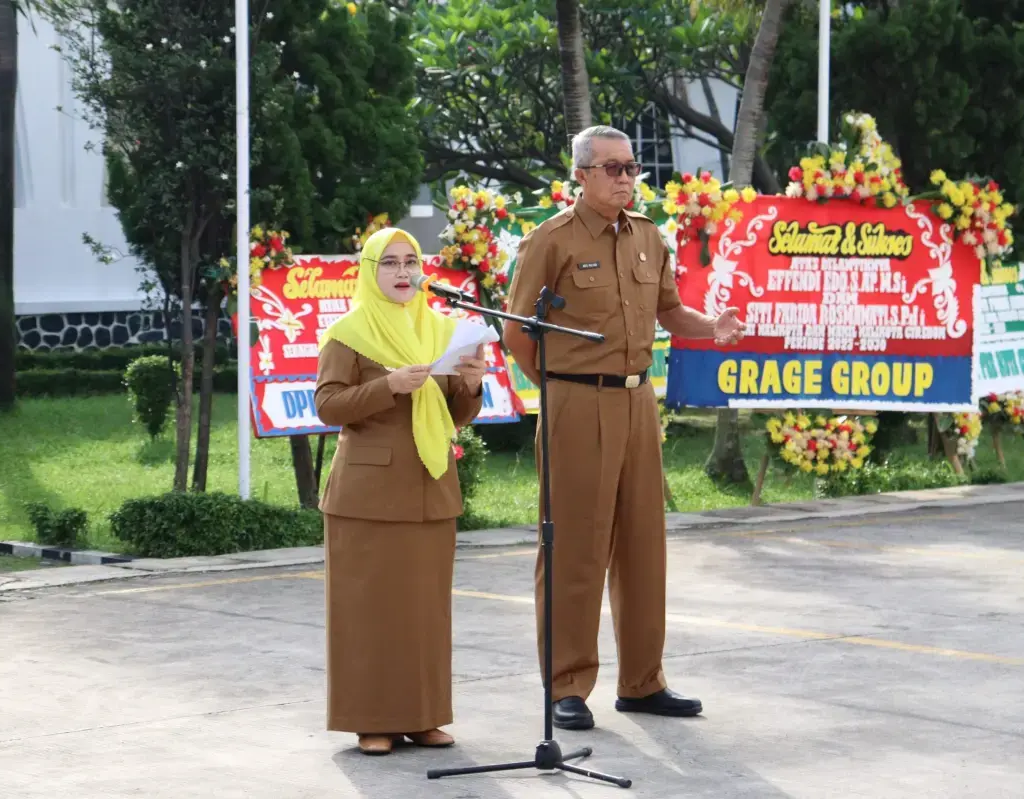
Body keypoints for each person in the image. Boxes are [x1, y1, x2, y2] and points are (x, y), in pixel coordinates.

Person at [503, 125, 746, 731]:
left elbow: (668, 309)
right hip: (578, 404)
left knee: (643, 546)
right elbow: (516, 333)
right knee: (576, 548)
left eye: (632, 167)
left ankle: (642, 681)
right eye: (612, 168)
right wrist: (560, 387)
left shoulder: (647, 237)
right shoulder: (551, 241)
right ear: (581, 175)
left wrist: (710, 325)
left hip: (639, 402)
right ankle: (566, 686)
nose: (626, 178)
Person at [315, 227, 488, 755]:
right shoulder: (349, 332)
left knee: (424, 611)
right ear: (371, 271)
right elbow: (328, 405)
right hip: (367, 494)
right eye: (389, 263)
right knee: (368, 609)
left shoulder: (439, 330)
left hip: (429, 485)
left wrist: (473, 383)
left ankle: (424, 716)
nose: (402, 272)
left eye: (410, 261)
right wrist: (386, 386)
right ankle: (373, 721)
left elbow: (456, 414)